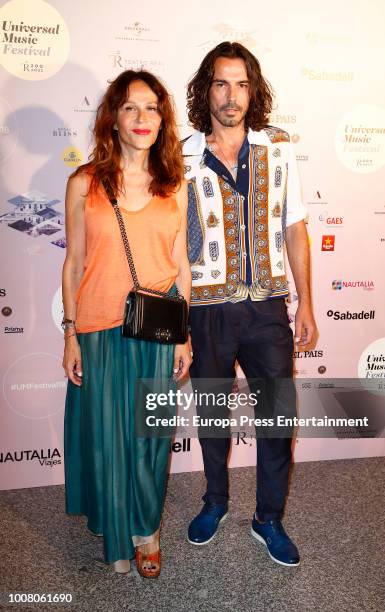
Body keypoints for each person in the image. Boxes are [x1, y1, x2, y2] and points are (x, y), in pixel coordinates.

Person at [183, 42, 316, 566]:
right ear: (205, 89)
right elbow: (172, 239)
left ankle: (269, 518)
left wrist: (305, 303)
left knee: (278, 420)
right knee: (213, 416)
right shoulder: (183, 153)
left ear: (253, 90)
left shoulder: (278, 146)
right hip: (208, 310)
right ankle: (215, 501)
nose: (231, 96)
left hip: (267, 309)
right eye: (221, 83)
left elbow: (296, 227)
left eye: (241, 84)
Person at [62, 70, 191, 578]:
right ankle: (119, 534)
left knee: (152, 437)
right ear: (112, 119)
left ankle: (148, 528)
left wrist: (185, 334)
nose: (142, 119)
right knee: (108, 438)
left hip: (157, 331)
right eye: (131, 108)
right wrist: (69, 331)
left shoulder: (174, 185)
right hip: (96, 329)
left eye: (152, 109)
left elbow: (181, 264)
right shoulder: (84, 182)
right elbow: (73, 263)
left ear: (163, 120)